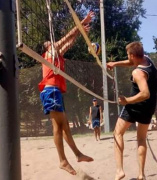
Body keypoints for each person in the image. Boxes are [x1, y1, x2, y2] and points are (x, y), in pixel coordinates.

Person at [38, 11, 95, 175]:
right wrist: (81, 22)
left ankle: (75, 156)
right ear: (48, 47)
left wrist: (82, 30)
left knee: (62, 127)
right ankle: (66, 159)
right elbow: (67, 36)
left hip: (54, 92)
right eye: (50, 42)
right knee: (60, 127)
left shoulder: (57, 56)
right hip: (50, 90)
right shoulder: (49, 53)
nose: (53, 42)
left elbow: (69, 41)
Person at [107, 42, 157, 180]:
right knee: (141, 139)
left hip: (135, 105)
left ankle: (119, 171)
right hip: (149, 107)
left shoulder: (138, 72)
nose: (128, 58)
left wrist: (127, 101)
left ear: (132, 55)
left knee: (117, 133)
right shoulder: (147, 60)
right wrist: (115, 63)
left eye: (128, 55)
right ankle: (141, 175)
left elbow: (145, 93)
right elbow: (131, 62)